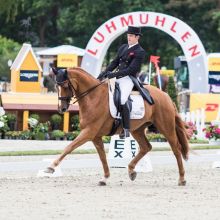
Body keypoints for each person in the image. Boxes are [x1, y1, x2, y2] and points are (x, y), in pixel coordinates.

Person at [97, 26, 146, 138]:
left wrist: (113, 75)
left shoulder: (140, 51)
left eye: (131, 36)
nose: (129, 38)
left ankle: (126, 128)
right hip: (118, 77)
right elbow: (114, 63)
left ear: (137, 37)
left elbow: (131, 70)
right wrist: (103, 73)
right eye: (128, 35)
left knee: (123, 99)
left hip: (129, 79)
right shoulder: (123, 47)